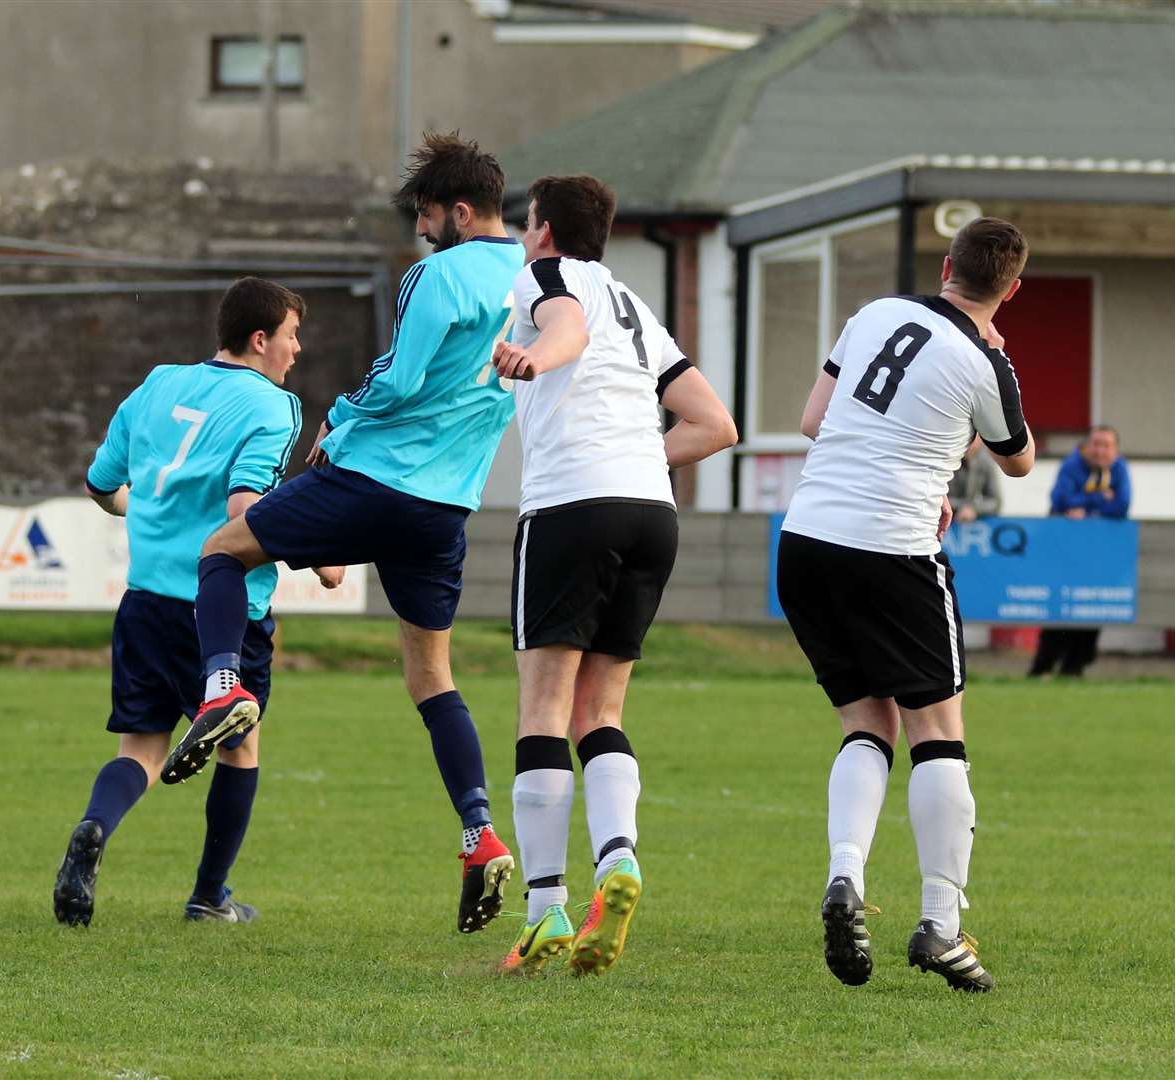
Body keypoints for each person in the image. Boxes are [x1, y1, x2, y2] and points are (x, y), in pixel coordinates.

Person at [173, 132, 525, 935]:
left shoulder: (437, 275)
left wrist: (340, 417)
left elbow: (400, 379)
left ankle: (222, 687)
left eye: (428, 215)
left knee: (222, 553)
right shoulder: (540, 282)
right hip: (446, 506)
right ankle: (478, 836)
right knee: (431, 677)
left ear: (459, 211)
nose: (422, 231)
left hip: (375, 477)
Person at [776, 217, 1037, 992]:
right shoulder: (985, 361)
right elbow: (1017, 460)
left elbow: (814, 421)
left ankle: (845, 876)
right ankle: (941, 927)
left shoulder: (875, 313)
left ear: (947, 265)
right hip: (892, 551)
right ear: (1011, 290)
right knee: (937, 732)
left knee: (866, 722)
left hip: (806, 539)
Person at [487, 175, 738, 975]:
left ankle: (544, 910)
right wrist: (632, 457)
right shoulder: (634, 304)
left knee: (544, 703)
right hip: (648, 513)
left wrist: (533, 356)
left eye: (528, 226)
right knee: (603, 704)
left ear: (546, 230)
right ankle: (618, 860)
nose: (525, 239)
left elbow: (564, 332)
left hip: (570, 508)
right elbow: (714, 423)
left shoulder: (547, 280)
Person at [54, 277, 341, 927]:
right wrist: (318, 552)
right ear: (260, 338)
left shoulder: (159, 383)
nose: (296, 350)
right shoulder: (272, 408)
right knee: (241, 746)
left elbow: (100, 484)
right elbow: (245, 510)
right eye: (292, 336)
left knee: (139, 752)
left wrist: (139, 512)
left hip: (145, 600)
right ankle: (209, 896)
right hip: (221, 607)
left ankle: (94, 826)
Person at [1029, 425, 1131, 677]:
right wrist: (1099, 498)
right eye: (1096, 444)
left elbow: (1121, 505)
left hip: (1098, 558)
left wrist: (1086, 505)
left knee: (1091, 607)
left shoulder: (1119, 470)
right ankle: (1043, 666)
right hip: (1065, 555)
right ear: (1086, 446)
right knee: (1059, 610)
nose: (1100, 451)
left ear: (1115, 451)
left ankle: (1074, 668)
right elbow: (1060, 501)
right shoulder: (1072, 466)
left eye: (1106, 446)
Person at [947, 437, 1002, 523]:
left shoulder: (986, 463)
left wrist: (973, 509)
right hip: (945, 520)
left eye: (973, 438)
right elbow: (938, 498)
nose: (968, 443)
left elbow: (996, 502)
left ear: (980, 439)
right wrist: (964, 508)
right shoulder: (946, 461)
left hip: (975, 524)